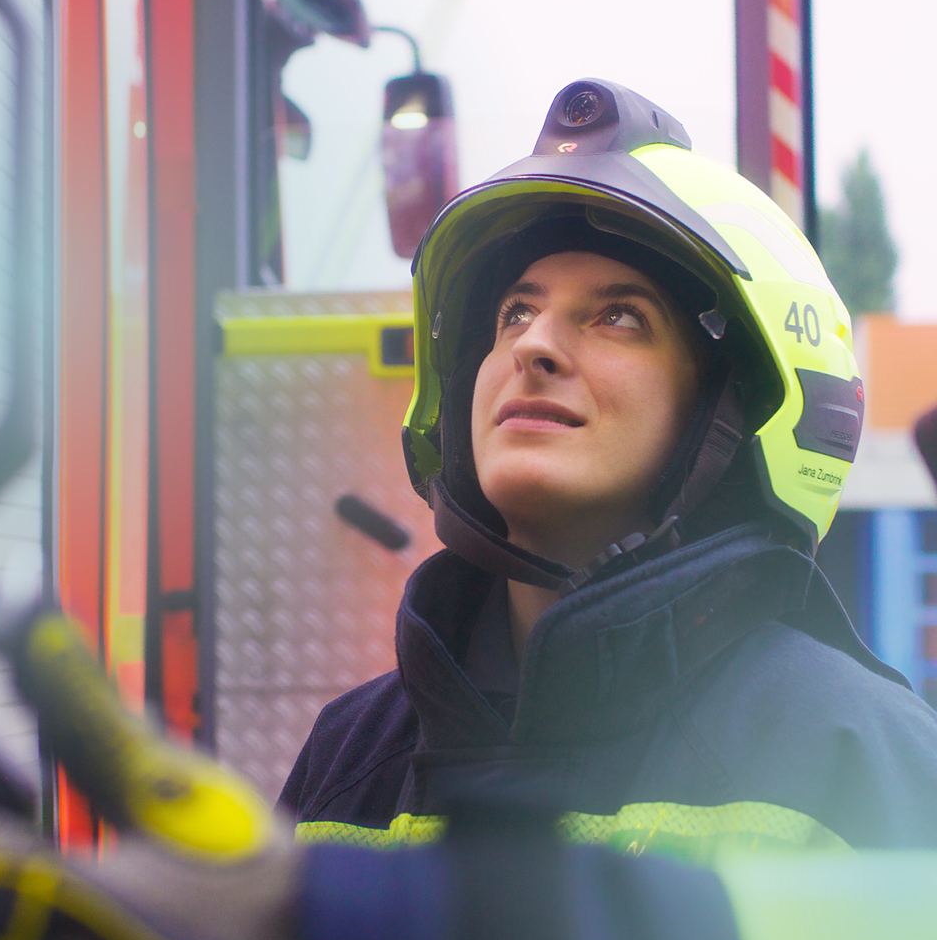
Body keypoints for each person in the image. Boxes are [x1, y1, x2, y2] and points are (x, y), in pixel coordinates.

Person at [279, 78, 937, 855]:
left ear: (737, 407)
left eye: (618, 316)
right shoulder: (348, 757)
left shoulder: (858, 758)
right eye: (514, 312)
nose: (532, 345)